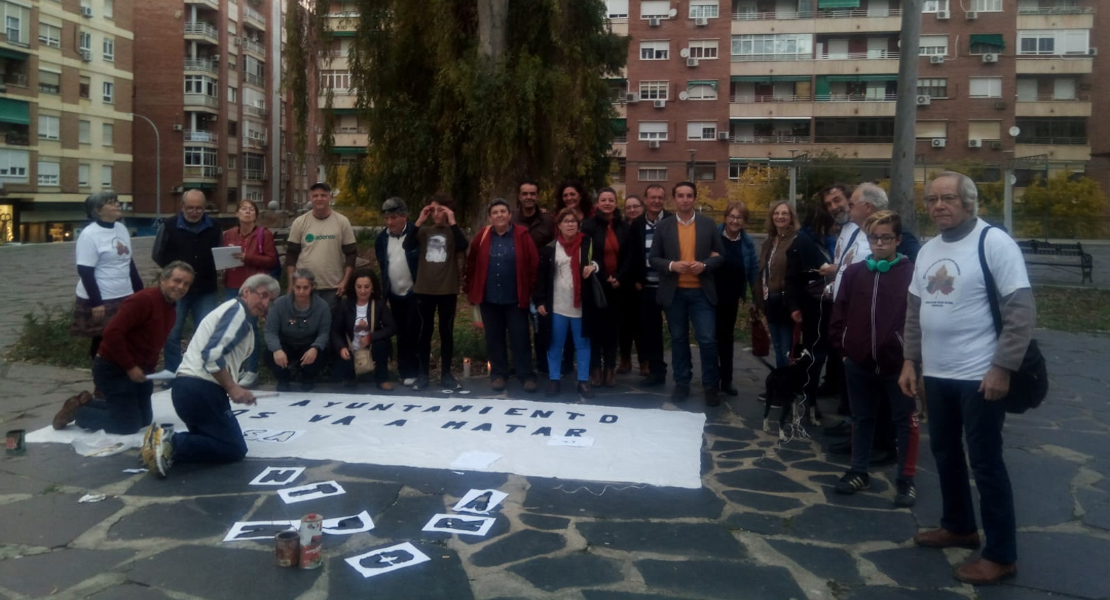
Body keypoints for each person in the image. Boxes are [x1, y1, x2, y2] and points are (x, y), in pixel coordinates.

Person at [899, 172, 1034, 585]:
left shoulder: (993, 242)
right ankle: (958, 524)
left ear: (969, 203)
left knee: (986, 462)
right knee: (945, 453)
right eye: (932, 199)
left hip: (980, 375)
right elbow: (915, 311)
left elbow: (1021, 312)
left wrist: (1001, 368)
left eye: (949, 198)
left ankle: (1001, 554)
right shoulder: (927, 249)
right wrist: (910, 362)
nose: (939, 205)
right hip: (937, 375)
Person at [141, 274, 279, 478]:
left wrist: (234, 387)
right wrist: (232, 387)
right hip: (200, 389)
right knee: (233, 448)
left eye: (272, 300)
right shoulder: (236, 311)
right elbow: (212, 355)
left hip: (191, 390)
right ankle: (170, 441)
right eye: (263, 295)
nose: (266, 303)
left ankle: (167, 448)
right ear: (246, 291)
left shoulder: (238, 316)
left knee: (214, 440)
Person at [829, 211, 919, 507]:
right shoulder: (855, 273)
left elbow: (919, 318)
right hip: (859, 361)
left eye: (886, 237)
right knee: (861, 418)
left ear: (898, 240)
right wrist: (844, 349)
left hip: (898, 365)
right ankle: (859, 470)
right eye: (874, 237)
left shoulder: (911, 273)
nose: (879, 243)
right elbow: (839, 311)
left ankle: (906, 480)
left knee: (904, 421)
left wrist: (911, 356)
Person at [53, 262, 195, 434]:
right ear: (163, 280)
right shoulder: (143, 300)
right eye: (177, 281)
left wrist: (149, 372)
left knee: (144, 420)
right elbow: (111, 333)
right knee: (128, 425)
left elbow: (151, 344)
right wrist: (130, 367)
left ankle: (88, 402)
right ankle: (79, 411)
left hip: (140, 371)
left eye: (186, 284)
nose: (180, 287)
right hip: (112, 368)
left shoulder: (171, 309)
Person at [649, 182, 724, 405]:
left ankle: (711, 386)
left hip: (702, 292)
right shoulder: (664, 226)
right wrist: (672, 265)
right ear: (674, 199)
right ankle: (682, 383)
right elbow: (653, 258)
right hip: (675, 293)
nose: (685, 199)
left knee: (708, 340)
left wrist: (706, 265)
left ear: (694, 198)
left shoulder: (708, 224)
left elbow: (720, 255)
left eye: (689, 195)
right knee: (679, 339)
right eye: (680, 195)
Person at [465, 198, 540, 392]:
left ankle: (526, 375)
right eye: (495, 212)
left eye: (503, 211)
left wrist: (530, 289)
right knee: (494, 338)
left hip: (515, 298)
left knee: (520, 338)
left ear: (509, 215)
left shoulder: (522, 235)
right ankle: (498, 374)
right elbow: (471, 263)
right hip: (490, 298)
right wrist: (471, 290)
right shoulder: (482, 236)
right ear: (490, 216)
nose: (499, 215)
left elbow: (533, 263)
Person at [154, 189, 222, 374]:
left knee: (206, 334)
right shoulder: (168, 226)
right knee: (172, 333)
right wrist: (174, 276)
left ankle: (200, 372)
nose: (194, 211)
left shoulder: (215, 227)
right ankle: (172, 372)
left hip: (206, 289)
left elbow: (221, 254)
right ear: (182, 207)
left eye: (199, 208)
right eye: (190, 207)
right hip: (176, 291)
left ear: (204, 208)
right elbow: (157, 254)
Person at [405, 194, 468, 390]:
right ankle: (423, 374)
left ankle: (446, 374)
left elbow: (463, 245)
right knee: (425, 331)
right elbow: (407, 245)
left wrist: (452, 221)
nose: (436, 214)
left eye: (440, 210)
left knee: (446, 332)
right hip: (425, 289)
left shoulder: (454, 233)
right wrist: (419, 220)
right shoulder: (424, 231)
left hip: (447, 289)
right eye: (432, 210)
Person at [72, 192, 144, 363]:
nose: (117, 205)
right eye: (111, 203)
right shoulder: (89, 234)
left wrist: (140, 292)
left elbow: (128, 262)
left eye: (116, 202)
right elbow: (85, 270)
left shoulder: (121, 229)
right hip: (101, 298)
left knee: (124, 337)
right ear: (97, 210)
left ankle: (118, 377)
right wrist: (97, 302)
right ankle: (100, 381)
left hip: (124, 294)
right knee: (102, 340)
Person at [534, 207, 595, 399]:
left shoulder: (587, 244)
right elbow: (541, 278)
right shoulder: (550, 248)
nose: (570, 224)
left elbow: (598, 261)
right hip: (557, 305)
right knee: (555, 342)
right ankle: (554, 379)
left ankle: (583, 381)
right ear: (559, 225)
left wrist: (594, 266)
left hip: (581, 305)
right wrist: (541, 301)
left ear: (578, 225)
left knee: (583, 343)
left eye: (573, 221)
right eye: (566, 221)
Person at [221, 199, 278, 387]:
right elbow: (224, 256)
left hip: (253, 288)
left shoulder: (263, 234)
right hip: (232, 284)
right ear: (237, 213)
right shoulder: (229, 234)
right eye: (243, 209)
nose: (247, 212)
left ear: (255, 215)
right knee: (232, 329)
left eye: (251, 209)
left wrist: (247, 257)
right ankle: (237, 367)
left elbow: (271, 260)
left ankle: (253, 370)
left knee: (250, 328)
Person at [581, 187, 633, 387]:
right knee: (596, 330)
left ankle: (610, 369)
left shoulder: (623, 227)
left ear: (615, 203)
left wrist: (619, 277)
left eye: (611, 200)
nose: (607, 203)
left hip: (618, 287)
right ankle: (596, 370)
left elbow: (630, 255)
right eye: (603, 200)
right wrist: (603, 276)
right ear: (598, 203)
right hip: (596, 286)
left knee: (612, 331)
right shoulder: (589, 226)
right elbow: (588, 256)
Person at [285, 182, 357, 309]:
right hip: (305, 286)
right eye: (315, 195)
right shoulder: (299, 222)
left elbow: (351, 254)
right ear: (310, 198)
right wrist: (291, 284)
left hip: (333, 287)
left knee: (331, 326)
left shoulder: (342, 222)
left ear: (330, 197)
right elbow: (291, 255)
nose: (319, 199)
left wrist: (345, 282)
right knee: (306, 325)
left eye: (323, 195)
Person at [715, 201, 760, 396]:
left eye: (739, 217)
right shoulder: (713, 236)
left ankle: (726, 379)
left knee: (726, 338)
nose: (735, 220)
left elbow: (753, 271)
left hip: (731, 298)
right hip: (710, 296)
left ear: (744, 221)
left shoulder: (747, 242)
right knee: (709, 338)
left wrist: (755, 299)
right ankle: (711, 379)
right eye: (732, 216)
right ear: (725, 217)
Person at [375, 197, 421, 386]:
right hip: (394, 293)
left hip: (414, 292)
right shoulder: (382, 239)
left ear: (404, 216)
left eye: (393, 218)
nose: (389, 222)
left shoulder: (416, 234)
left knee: (415, 331)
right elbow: (383, 265)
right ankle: (404, 370)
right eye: (386, 218)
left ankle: (417, 370)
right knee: (400, 331)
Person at [630, 184, 673, 385]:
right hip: (646, 287)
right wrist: (636, 279)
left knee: (677, 332)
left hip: (671, 286)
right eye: (652, 197)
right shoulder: (636, 224)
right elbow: (631, 255)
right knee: (651, 332)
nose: (656, 201)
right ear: (645, 200)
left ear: (664, 200)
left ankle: (682, 374)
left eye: (660, 197)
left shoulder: (673, 221)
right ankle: (657, 371)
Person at [512, 180, 555, 376]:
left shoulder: (548, 220)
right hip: (516, 278)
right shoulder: (510, 218)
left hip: (541, 279)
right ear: (519, 196)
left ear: (537, 196)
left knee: (541, 323)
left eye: (532, 193)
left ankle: (543, 363)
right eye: (525, 193)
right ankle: (521, 365)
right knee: (517, 326)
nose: (529, 197)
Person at [264, 269, 332, 392]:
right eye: (298, 287)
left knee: (321, 354)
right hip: (285, 343)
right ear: (293, 287)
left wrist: (315, 348)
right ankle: (283, 379)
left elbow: (324, 332)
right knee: (270, 353)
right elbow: (270, 331)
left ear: (312, 287)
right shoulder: (279, 304)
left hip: (308, 343)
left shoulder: (322, 306)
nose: (301, 292)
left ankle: (307, 378)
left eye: (305, 287)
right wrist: (277, 349)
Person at [331, 268, 396, 390]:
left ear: (372, 287)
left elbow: (392, 328)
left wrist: (371, 337)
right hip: (350, 347)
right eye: (359, 287)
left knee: (381, 345)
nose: (363, 291)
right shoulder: (344, 305)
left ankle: (383, 378)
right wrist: (341, 347)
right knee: (346, 383)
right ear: (353, 287)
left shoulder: (379, 304)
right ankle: (349, 377)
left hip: (371, 347)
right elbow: (335, 330)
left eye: (366, 287)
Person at [618, 194, 645, 375]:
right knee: (623, 326)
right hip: (622, 283)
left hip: (641, 283)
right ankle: (625, 359)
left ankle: (644, 361)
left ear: (642, 208)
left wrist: (639, 279)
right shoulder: (620, 228)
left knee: (641, 325)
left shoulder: (646, 226)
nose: (632, 210)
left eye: (635, 206)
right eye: (628, 207)